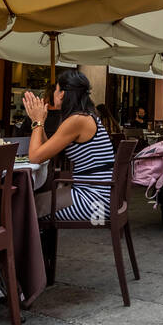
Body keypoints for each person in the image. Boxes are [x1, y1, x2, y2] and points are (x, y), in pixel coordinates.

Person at [23, 70, 115, 223]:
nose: (54, 94)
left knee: (25, 206)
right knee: (33, 202)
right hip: (100, 195)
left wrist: (36, 122)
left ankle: (26, 247)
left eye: (56, 89)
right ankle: (40, 246)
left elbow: (34, 157)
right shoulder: (85, 116)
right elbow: (46, 150)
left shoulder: (77, 120)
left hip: (96, 204)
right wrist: (41, 122)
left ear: (62, 94)